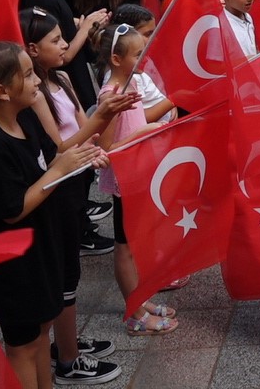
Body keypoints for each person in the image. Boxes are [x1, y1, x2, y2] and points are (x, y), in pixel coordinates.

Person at [0, 41, 107, 388]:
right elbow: (12, 209)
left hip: (37, 252)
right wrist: (57, 170)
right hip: (11, 269)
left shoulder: (26, 120)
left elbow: (53, 159)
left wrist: (81, 158)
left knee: (41, 331)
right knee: (22, 347)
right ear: (2, 91)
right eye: (29, 74)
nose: (37, 81)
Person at [20, 9, 128, 385]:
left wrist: (96, 144)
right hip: (58, 188)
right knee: (64, 273)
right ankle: (68, 361)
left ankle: (66, 342)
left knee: (71, 271)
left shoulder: (63, 79)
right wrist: (102, 121)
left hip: (77, 181)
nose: (65, 44)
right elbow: (60, 146)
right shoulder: (33, 96)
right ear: (32, 50)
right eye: (55, 40)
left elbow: (83, 129)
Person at [92, 23, 180, 336]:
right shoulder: (110, 95)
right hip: (125, 180)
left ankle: (141, 300)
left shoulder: (132, 83)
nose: (144, 58)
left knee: (135, 242)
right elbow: (106, 148)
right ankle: (134, 312)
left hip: (140, 173)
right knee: (124, 246)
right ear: (116, 60)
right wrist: (143, 133)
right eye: (138, 53)